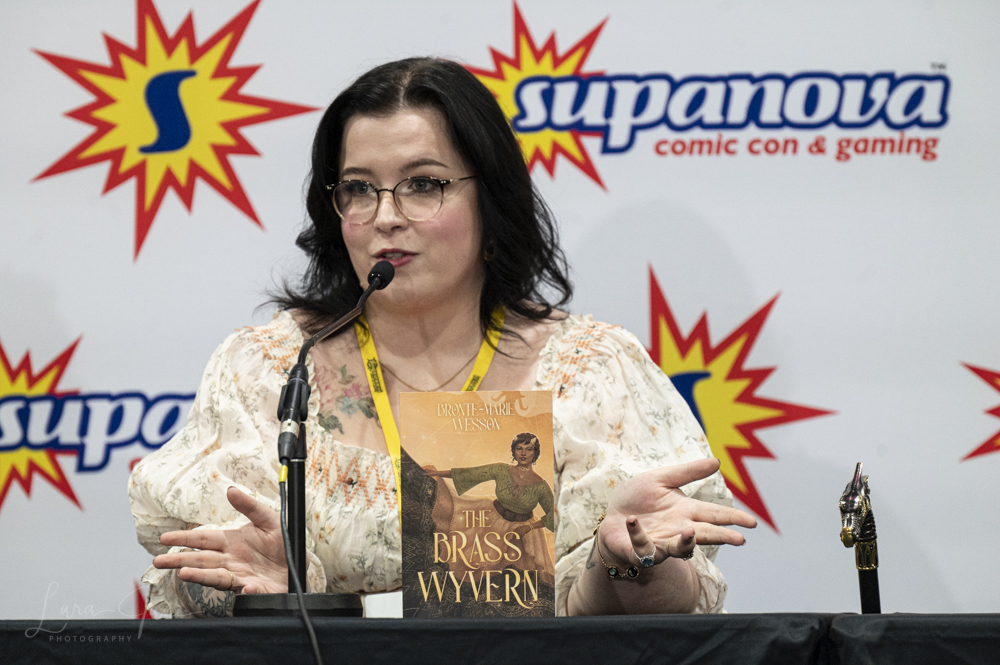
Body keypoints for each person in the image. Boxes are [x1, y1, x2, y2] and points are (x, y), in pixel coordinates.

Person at [128, 57, 755, 618]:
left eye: (424, 184)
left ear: (492, 197)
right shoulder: (269, 370)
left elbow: (659, 607)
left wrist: (624, 563)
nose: (386, 216)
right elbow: (191, 579)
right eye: (358, 189)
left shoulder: (591, 373)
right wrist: (257, 590)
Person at [422, 432, 556, 584]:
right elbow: (471, 474)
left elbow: (554, 515)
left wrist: (530, 527)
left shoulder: (541, 486)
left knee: (520, 576)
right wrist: (436, 473)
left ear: (535, 452)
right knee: (478, 566)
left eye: (529, 449)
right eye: (519, 448)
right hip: (493, 520)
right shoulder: (502, 470)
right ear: (514, 451)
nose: (523, 453)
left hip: (523, 531)